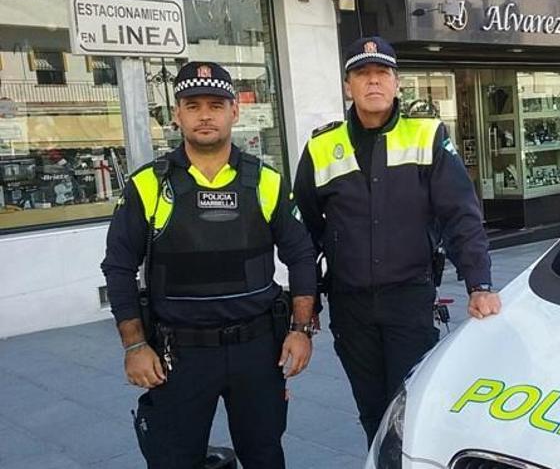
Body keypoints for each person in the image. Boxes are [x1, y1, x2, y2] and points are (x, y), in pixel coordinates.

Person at [101, 61, 317, 468]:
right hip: (178, 354)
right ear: (176, 114)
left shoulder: (266, 181)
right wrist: (134, 345)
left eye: (216, 105)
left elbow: (301, 256)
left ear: (234, 112)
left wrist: (301, 330)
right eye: (193, 104)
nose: (205, 115)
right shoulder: (149, 184)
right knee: (174, 459)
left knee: (265, 455)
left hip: (258, 350)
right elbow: (118, 268)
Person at [293, 36, 502, 445]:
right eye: (362, 74)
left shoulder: (427, 136)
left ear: (396, 83)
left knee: (411, 405)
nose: (373, 82)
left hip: (409, 299)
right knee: (372, 410)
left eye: (382, 73)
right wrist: (306, 302)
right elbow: (303, 236)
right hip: (351, 307)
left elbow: (460, 213)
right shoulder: (321, 147)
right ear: (347, 85)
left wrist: (479, 284)